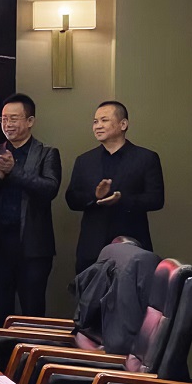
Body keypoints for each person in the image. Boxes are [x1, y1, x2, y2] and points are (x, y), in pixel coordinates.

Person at [0, 93, 62, 330]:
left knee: (33, 310)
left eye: (14, 118)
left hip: (33, 247)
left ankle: (33, 354)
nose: (7, 124)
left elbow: (49, 189)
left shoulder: (47, 153)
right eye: (4, 119)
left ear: (30, 121)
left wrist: (14, 172)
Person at [66, 101, 164, 273]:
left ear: (123, 124)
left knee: (131, 290)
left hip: (132, 245)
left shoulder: (146, 158)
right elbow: (72, 199)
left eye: (104, 120)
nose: (98, 126)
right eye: (95, 121)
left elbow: (156, 199)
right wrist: (95, 196)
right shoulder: (84, 160)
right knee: (88, 290)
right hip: (91, 248)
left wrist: (121, 199)